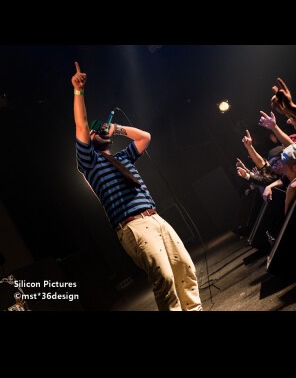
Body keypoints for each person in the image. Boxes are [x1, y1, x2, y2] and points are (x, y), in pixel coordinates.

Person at [71, 62, 202, 311]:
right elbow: (81, 125)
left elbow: (145, 137)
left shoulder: (123, 158)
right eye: (95, 132)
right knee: (164, 278)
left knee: (185, 268)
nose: (98, 131)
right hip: (132, 225)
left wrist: (116, 128)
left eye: (101, 130)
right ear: (90, 139)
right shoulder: (89, 162)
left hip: (155, 218)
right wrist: (78, 91)